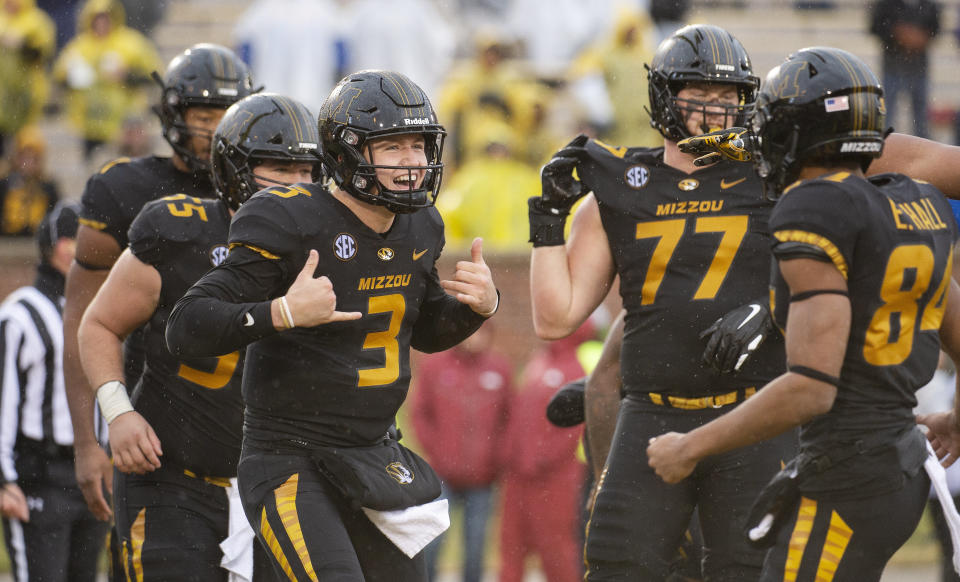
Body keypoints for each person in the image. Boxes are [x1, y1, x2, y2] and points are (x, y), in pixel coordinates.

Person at [529, 23, 960, 581]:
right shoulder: (627, 180)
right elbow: (564, 323)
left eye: (728, 96)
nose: (716, 112)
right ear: (664, 96)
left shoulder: (791, 161)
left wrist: (770, 303)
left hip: (767, 407)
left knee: (746, 569)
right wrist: (546, 226)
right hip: (665, 407)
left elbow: (906, 169)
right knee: (620, 564)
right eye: (699, 96)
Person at [164, 70, 499, 580]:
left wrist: (477, 308)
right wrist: (284, 312)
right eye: (392, 147)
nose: (411, 161)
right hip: (289, 458)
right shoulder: (290, 220)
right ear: (346, 153)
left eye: (418, 144)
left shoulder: (422, 224)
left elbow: (426, 332)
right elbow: (186, 327)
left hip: (371, 456)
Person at [647, 45, 960, 581]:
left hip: (848, 470)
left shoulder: (814, 207)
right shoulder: (914, 200)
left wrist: (690, 446)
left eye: (770, 125)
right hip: (901, 464)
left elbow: (813, 386)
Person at [78, 93, 315, 580]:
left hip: (275, 485)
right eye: (279, 168)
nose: (298, 185)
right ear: (233, 170)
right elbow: (99, 323)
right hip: (173, 478)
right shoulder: (180, 232)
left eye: (307, 171)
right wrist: (117, 413)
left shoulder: (325, 247)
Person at [62, 42, 252, 531]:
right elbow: (85, 324)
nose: (216, 129)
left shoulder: (268, 192)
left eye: (229, 114)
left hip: (248, 434)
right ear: (172, 113)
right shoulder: (124, 191)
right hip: (156, 427)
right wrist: (89, 440)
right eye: (204, 114)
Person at [0, 203, 110, 582]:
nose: (78, 247)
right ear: (52, 246)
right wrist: (3, 479)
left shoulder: (102, 312)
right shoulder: (19, 315)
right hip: (38, 474)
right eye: (69, 239)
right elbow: (2, 402)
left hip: (90, 474)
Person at [409, 321, 512, 582]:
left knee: (476, 546)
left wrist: (497, 458)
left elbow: (511, 419)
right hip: (441, 477)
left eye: (482, 332)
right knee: (432, 544)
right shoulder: (435, 367)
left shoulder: (499, 369)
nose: (476, 338)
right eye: (472, 331)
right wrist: (438, 451)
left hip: (483, 480)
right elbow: (420, 414)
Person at [498, 322, 594, 582]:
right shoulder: (538, 362)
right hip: (519, 476)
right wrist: (512, 455)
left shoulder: (574, 368)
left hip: (555, 479)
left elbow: (572, 429)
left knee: (556, 549)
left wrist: (539, 459)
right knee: (511, 546)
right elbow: (519, 415)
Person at [52, 0, 161, 160]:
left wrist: (127, 76)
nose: (101, 24)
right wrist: (72, 78)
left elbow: (154, 76)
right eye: (97, 19)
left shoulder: (131, 43)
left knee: (124, 168)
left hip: (124, 126)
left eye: (105, 19)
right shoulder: (78, 47)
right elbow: (58, 79)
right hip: (89, 125)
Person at [869, 0, 940, 138]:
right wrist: (898, 34)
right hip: (893, 67)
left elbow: (935, 29)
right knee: (887, 115)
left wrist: (919, 37)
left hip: (917, 68)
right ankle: (884, 148)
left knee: (920, 120)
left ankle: (919, 149)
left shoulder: (928, 4)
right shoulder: (886, 4)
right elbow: (875, 27)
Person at [0, 0, 55, 158]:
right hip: (3, 94)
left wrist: (22, 44)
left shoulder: (36, 21)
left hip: (26, 94)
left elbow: (43, 54)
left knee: (25, 144)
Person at [0, 127, 60, 237]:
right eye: (24, 157)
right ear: (17, 158)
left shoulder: (48, 186)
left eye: (34, 158)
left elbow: (55, 220)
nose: (28, 163)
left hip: (35, 241)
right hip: (7, 242)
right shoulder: (5, 183)